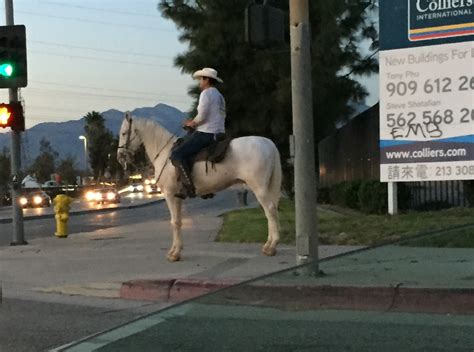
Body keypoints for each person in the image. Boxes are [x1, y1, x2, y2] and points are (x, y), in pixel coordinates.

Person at [171, 67, 226, 199]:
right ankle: (204, 187)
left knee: (177, 154)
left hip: (206, 133)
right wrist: (194, 122)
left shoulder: (206, 94)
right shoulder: (219, 95)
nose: (199, 82)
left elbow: (202, 116)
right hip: (219, 131)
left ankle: (188, 187)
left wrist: (191, 123)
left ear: (207, 80)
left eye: (201, 79)